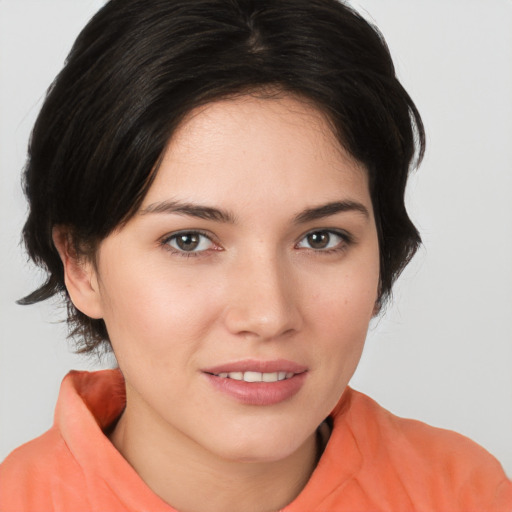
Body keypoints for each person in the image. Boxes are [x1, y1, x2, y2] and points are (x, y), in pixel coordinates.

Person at [0, 0, 510, 511]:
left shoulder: (466, 493)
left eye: (321, 238)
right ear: (81, 265)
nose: (268, 315)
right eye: (189, 240)